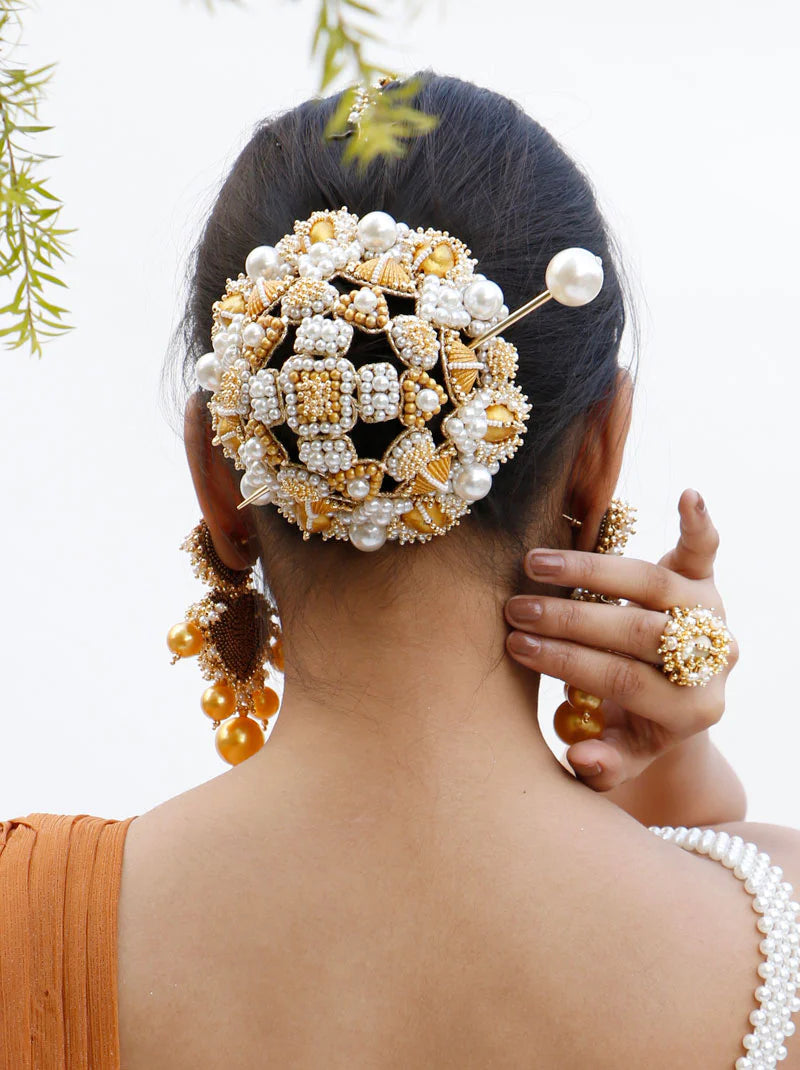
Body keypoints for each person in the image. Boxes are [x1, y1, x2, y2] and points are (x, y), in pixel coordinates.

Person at [0, 71, 797, 1070]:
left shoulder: (25, 923)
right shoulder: (776, 938)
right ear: (598, 451)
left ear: (217, 466)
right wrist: (668, 749)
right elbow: (712, 882)